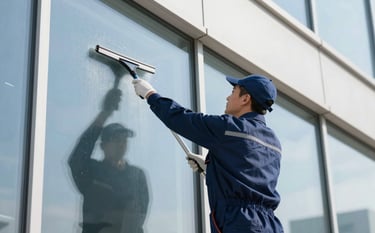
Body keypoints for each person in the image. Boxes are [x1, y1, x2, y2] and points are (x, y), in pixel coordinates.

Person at [132, 74, 283, 233]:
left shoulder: (230, 128)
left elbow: (182, 119)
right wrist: (211, 169)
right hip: (270, 225)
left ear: (245, 99)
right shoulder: (274, 142)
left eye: (233, 91)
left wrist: (150, 95)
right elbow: (249, 173)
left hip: (240, 222)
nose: (228, 97)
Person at [68, 88, 149, 233]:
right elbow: (78, 158)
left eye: (124, 140)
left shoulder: (137, 176)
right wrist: (105, 113)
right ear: (103, 146)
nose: (121, 144)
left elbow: (139, 214)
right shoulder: (92, 171)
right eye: (116, 139)